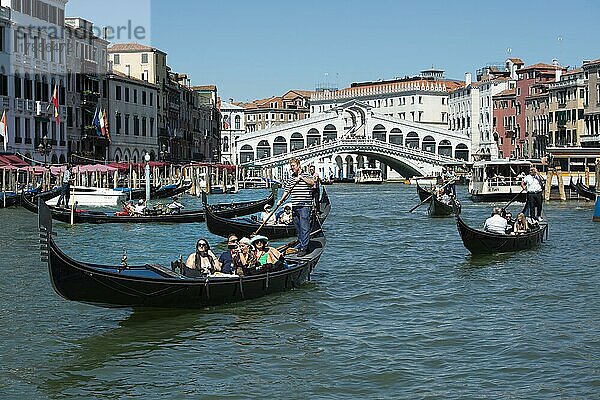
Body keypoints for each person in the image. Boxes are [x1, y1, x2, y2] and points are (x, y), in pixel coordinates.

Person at [277, 158, 314, 257]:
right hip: (295, 205)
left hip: (305, 205)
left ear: (298, 165)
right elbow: (287, 191)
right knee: (297, 227)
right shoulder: (291, 178)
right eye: (291, 166)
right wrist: (281, 200)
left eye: (293, 166)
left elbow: (312, 183)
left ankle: (303, 248)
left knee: (304, 226)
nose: (292, 168)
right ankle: (304, 244)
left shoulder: (306, 175)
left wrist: (301, 178)